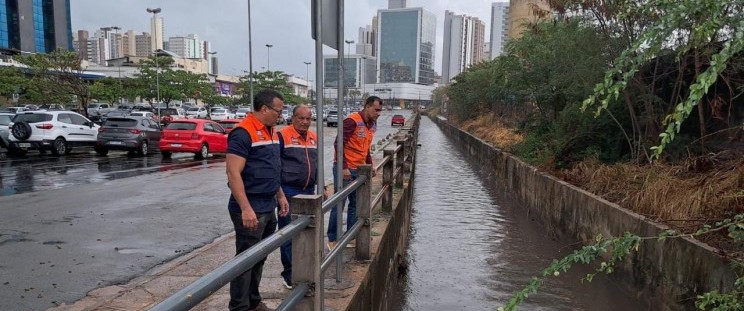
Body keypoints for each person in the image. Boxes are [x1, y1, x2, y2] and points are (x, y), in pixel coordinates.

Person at [226, 89, 289, 311]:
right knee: (245, 261)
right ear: (264, 109)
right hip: (250, 207)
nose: (281, 115)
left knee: (259, 258)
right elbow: (233, 174)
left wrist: (279, 194)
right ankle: (240, 307)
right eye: (278, 111)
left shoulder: (270, 131)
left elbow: (271, 167)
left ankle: (253, 301)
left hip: (267, 205)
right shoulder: (243, 133)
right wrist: (245, 208)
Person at [327, 96, 383, 249]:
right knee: (339, 202)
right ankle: (333, 238)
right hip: (345, 168)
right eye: (376, 110)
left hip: (359, 168)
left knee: (355, 204)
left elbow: (366, 149)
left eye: (380, 111)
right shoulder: (352, 120)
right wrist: (343, 167)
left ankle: (351, 236)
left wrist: (370, 165)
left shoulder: (372, 124)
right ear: (367, 107)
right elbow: (338, 143)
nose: (378, 113)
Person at [276, 104, 318, 289]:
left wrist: (321, 184)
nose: (305, 122)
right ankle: (289, 274)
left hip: (309, 191)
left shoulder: (313, 137)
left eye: (308, 118)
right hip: (289, 191)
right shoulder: (282, 136)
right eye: (301, 118)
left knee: (307, 232)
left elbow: (316, 163)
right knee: (288, 233)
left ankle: (305, 271)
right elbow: (275, 166)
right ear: (292, 118)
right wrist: (280, 194)